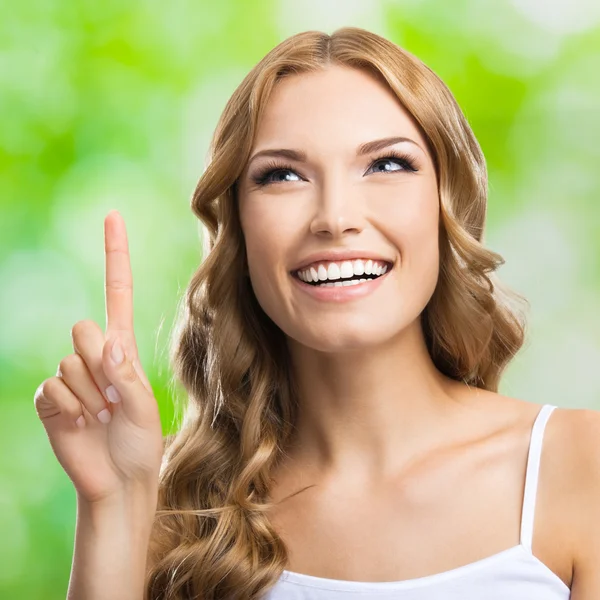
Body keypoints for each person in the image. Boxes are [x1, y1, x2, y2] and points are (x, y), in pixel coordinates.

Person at [33, 26, 598, 600]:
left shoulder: (581, 466)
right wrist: (111, 508)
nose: (335, 217)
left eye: (385, 165)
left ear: (445, 203)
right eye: (283, 175)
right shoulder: (175, 505)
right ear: (240, 231)